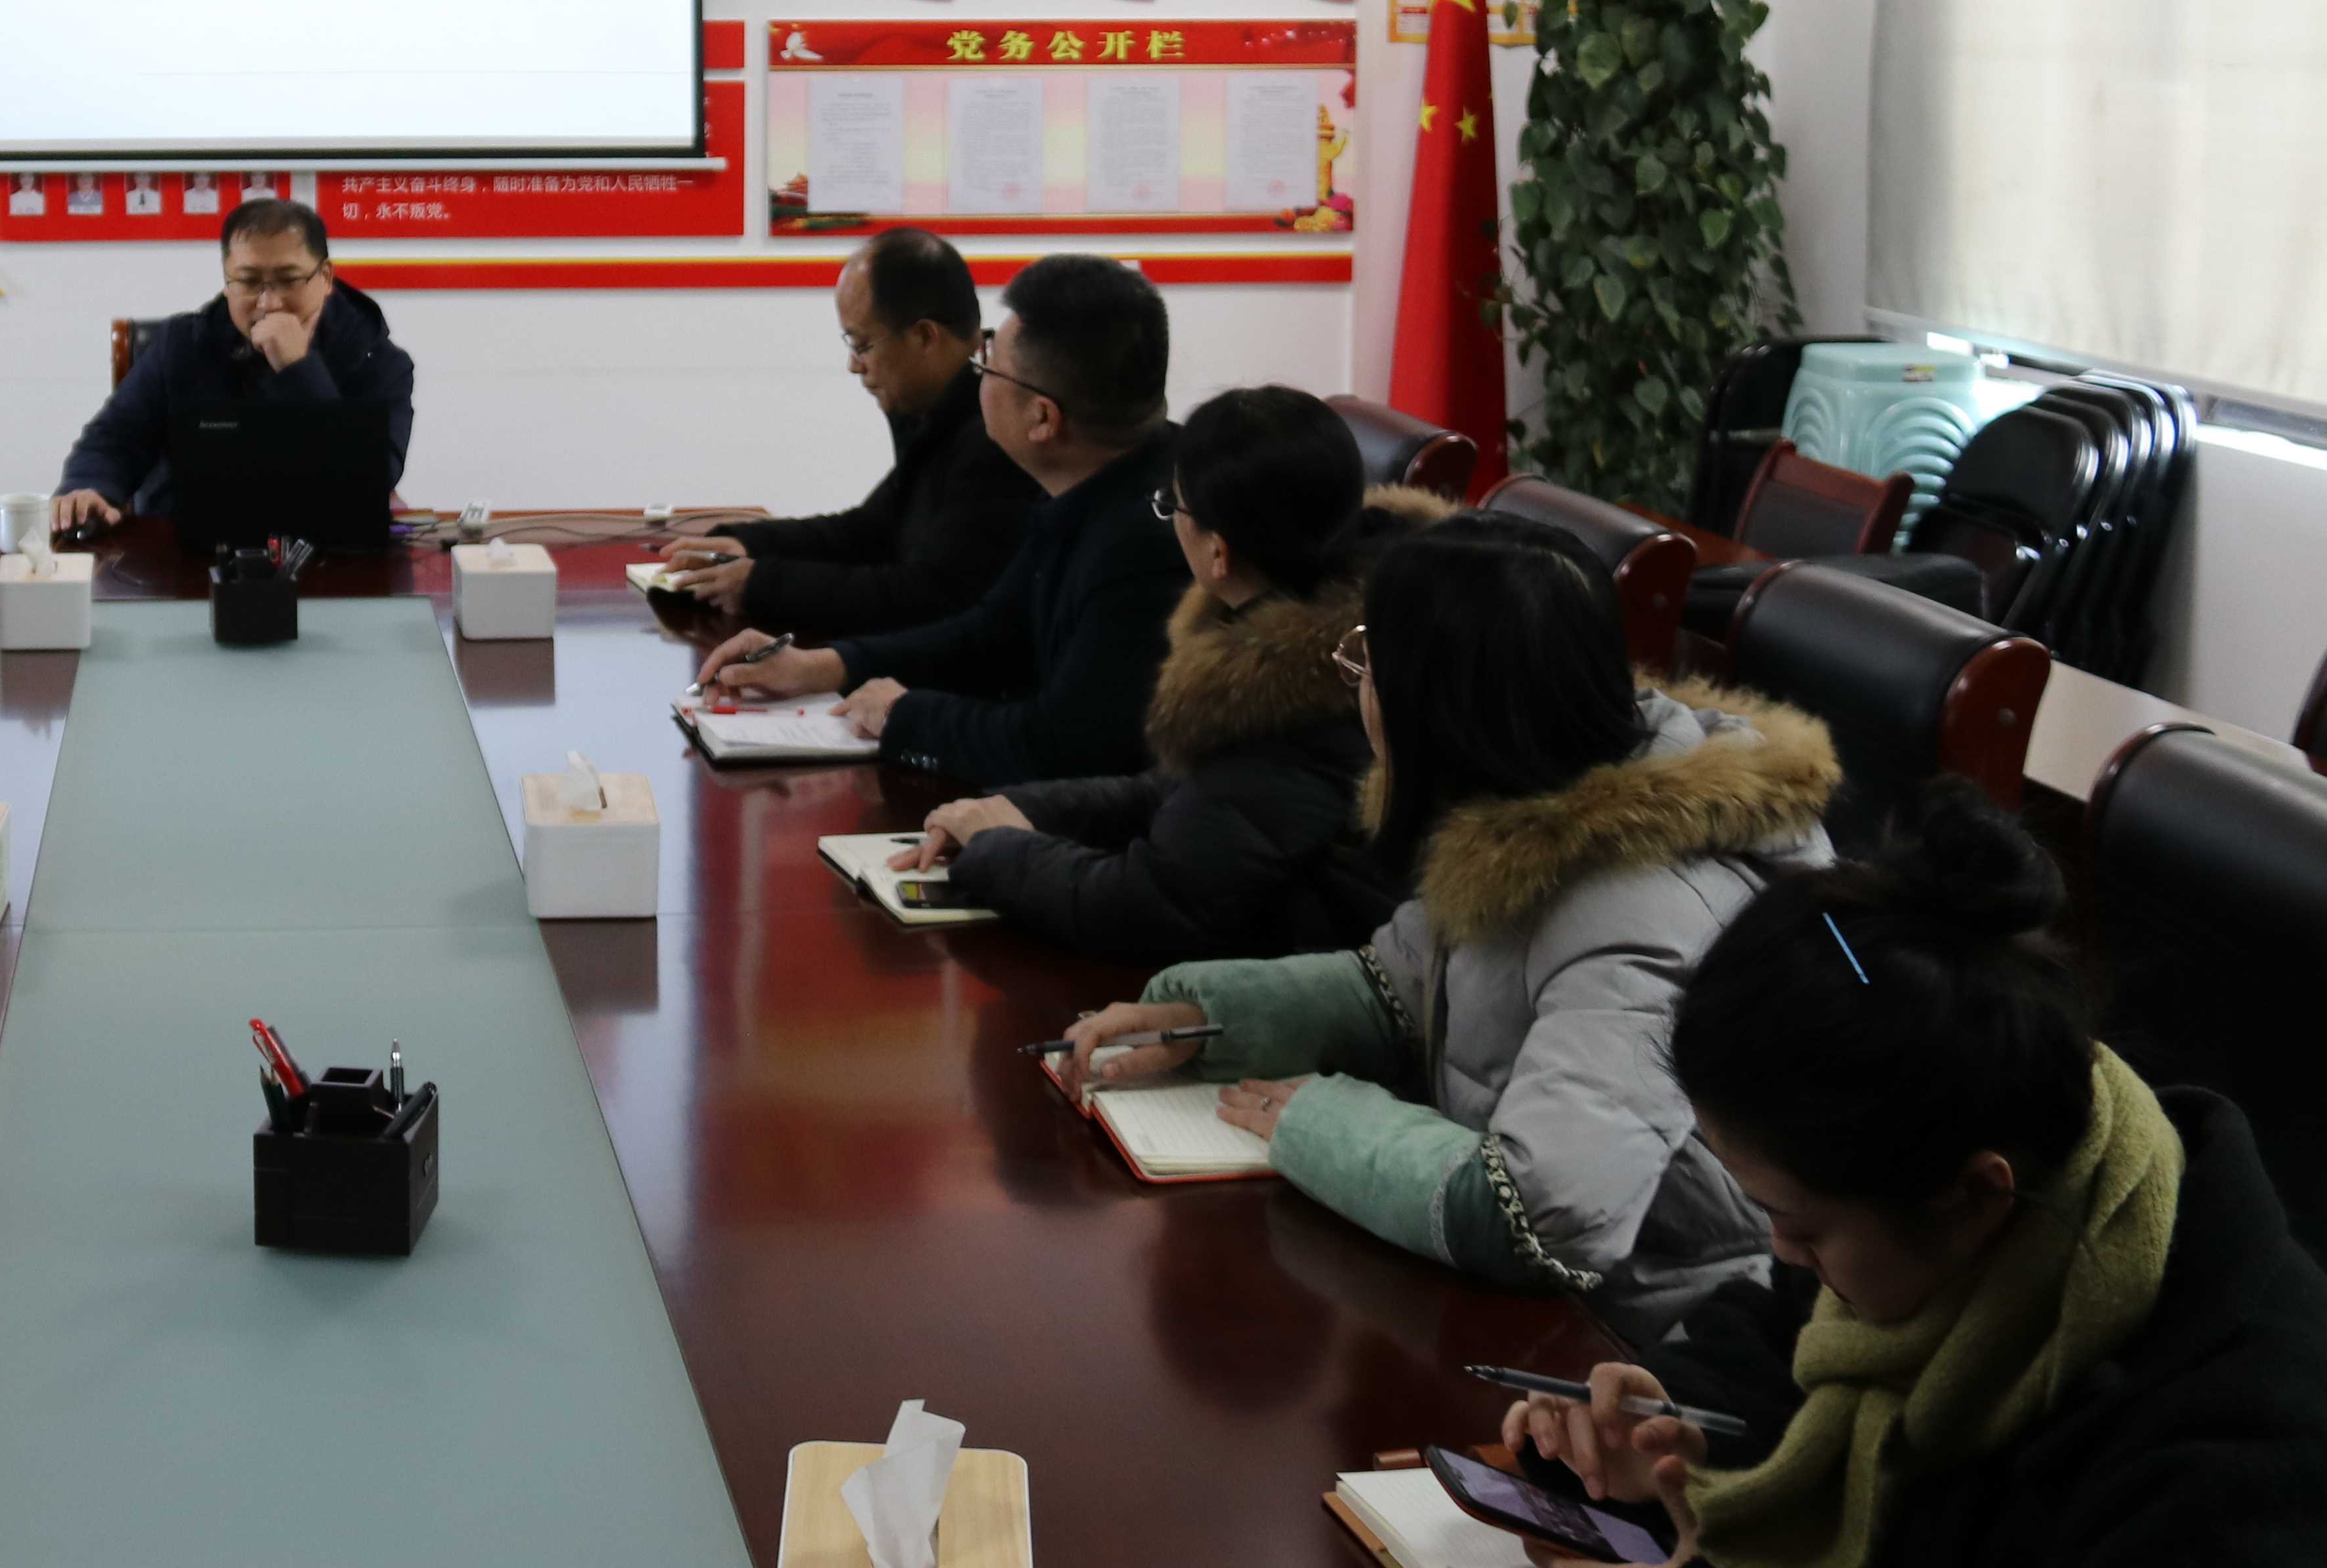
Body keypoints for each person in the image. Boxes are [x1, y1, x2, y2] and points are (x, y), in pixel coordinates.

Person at [1504, 784, 2327, 1568]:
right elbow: (1784, 1340)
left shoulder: (2230, 1462)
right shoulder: (1959, 1162)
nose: (1782, 1251)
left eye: (1798, 1223)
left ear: (1974, 1197)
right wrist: (1664, 1424)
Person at [1061, 513, 1840, 1329]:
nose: (1360, 684)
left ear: (1437, 705)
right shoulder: (1530, 806)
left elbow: (1540, 1215)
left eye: (1371, 658)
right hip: (1518, 1306)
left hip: (1644, 1340)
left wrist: (1318, 1121)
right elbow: (1398, 987)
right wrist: (1205, 1017)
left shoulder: (1643, 907)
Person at [894, 385, 1431, 964]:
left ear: (1218, 553)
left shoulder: (1294, 697)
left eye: (1173, 506)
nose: (1169, 520)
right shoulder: (1353, 617)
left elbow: (1147, 906)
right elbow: (1185, 793)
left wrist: (996, 848)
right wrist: (1017, 810)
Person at [693, 251, 1189, 787]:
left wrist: (905, 717)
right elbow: (990, 632)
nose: (977, 375)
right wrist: (824, 666)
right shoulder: (1088, 486)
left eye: (990, 364)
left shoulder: (1149, 542)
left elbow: (1060, 746)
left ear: (1043, 418)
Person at [651, 229, 1037, 633]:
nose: (854, 365)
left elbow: (929, 595)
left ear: (925, 336)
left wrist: (760, 584)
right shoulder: (942, 411)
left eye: (863, 345)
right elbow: (871, 530)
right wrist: (746, 545)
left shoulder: (996, 434)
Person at [51, 197, 416, 534]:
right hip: (186, 553)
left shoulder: (377, 361)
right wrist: (90, 488)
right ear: (227, 283)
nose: (269, 302)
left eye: (289, 280)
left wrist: (299, 370)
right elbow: (116, 440)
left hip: (327, 554)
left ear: (325, 278)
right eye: (249, 282)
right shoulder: (181, 345)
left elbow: (370, 480)